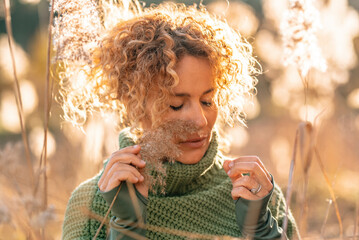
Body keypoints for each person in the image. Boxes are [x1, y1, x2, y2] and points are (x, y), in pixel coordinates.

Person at [61, 2, 299, 240]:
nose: (199, 120)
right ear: (134, 104)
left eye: (207, 101)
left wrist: (264, 233)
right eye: (176, 104)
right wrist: (127, 227)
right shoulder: (92, 204)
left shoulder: (257, 194)